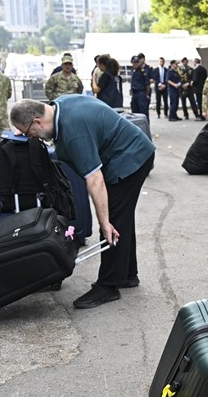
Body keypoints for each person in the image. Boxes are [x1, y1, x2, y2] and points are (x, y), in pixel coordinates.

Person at [10, 96, 155, 309]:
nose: (29, 137)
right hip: (129, 149)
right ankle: (127, 275)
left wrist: (103, 222)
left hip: (131, 159)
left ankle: (108, 285)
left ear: (38, 121)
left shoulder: (74, 133)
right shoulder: (58, 106)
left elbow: (95, 180)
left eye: (27, 131)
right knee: (121, 217)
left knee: (112, 220)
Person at [128, 54, 151, 124]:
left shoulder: (143, 71)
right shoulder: (132, 72)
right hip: (134, 94)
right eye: (134, 62)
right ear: (132, 62)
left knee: (143, 112)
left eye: (137, 62)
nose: (136, 64)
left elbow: (147, 84)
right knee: (135, 112)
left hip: (141, 93)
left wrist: (146, 94)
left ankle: (146, 129)